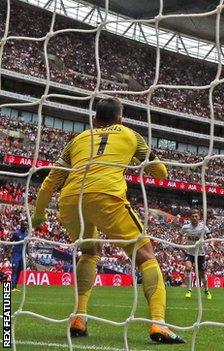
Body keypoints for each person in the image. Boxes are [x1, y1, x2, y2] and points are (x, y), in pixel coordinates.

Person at [31, 97, 184, 343]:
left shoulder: (77, 139)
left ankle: (79, 317)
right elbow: (161, 172)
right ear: (120, 119)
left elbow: (51, 181)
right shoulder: (131, 135)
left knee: (89, 252)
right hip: (106, 196)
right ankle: (158, 324)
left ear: (94, 119)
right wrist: (134, 158)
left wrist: (38, 214)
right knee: (146, 256)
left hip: (70, 200)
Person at [180, 209, 212, 299]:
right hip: (190, 253)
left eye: (196, 216)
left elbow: (210, 237)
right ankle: (189, 290)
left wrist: (212, 244)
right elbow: (181, 235)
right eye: (192, 216)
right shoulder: (185, 227)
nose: (194, 218)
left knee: (202, 274)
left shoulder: (203, 227)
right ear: (190, 218)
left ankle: (206, 290)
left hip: (200, 254)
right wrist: (181, 242)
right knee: (188, 268)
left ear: (199, 217)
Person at [10, 221, 28, 291]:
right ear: (21, 226)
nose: (25, 227)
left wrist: (28, 254)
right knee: (15, 269)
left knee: (19, 271)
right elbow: (11, 241)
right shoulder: (16, 234)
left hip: (22, 255)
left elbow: (27, 245)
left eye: (26, 226)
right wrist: (8, 251)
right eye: (24, 226)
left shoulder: (27, 235)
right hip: (16, 254)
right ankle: (12, 286)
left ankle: (15, 286)